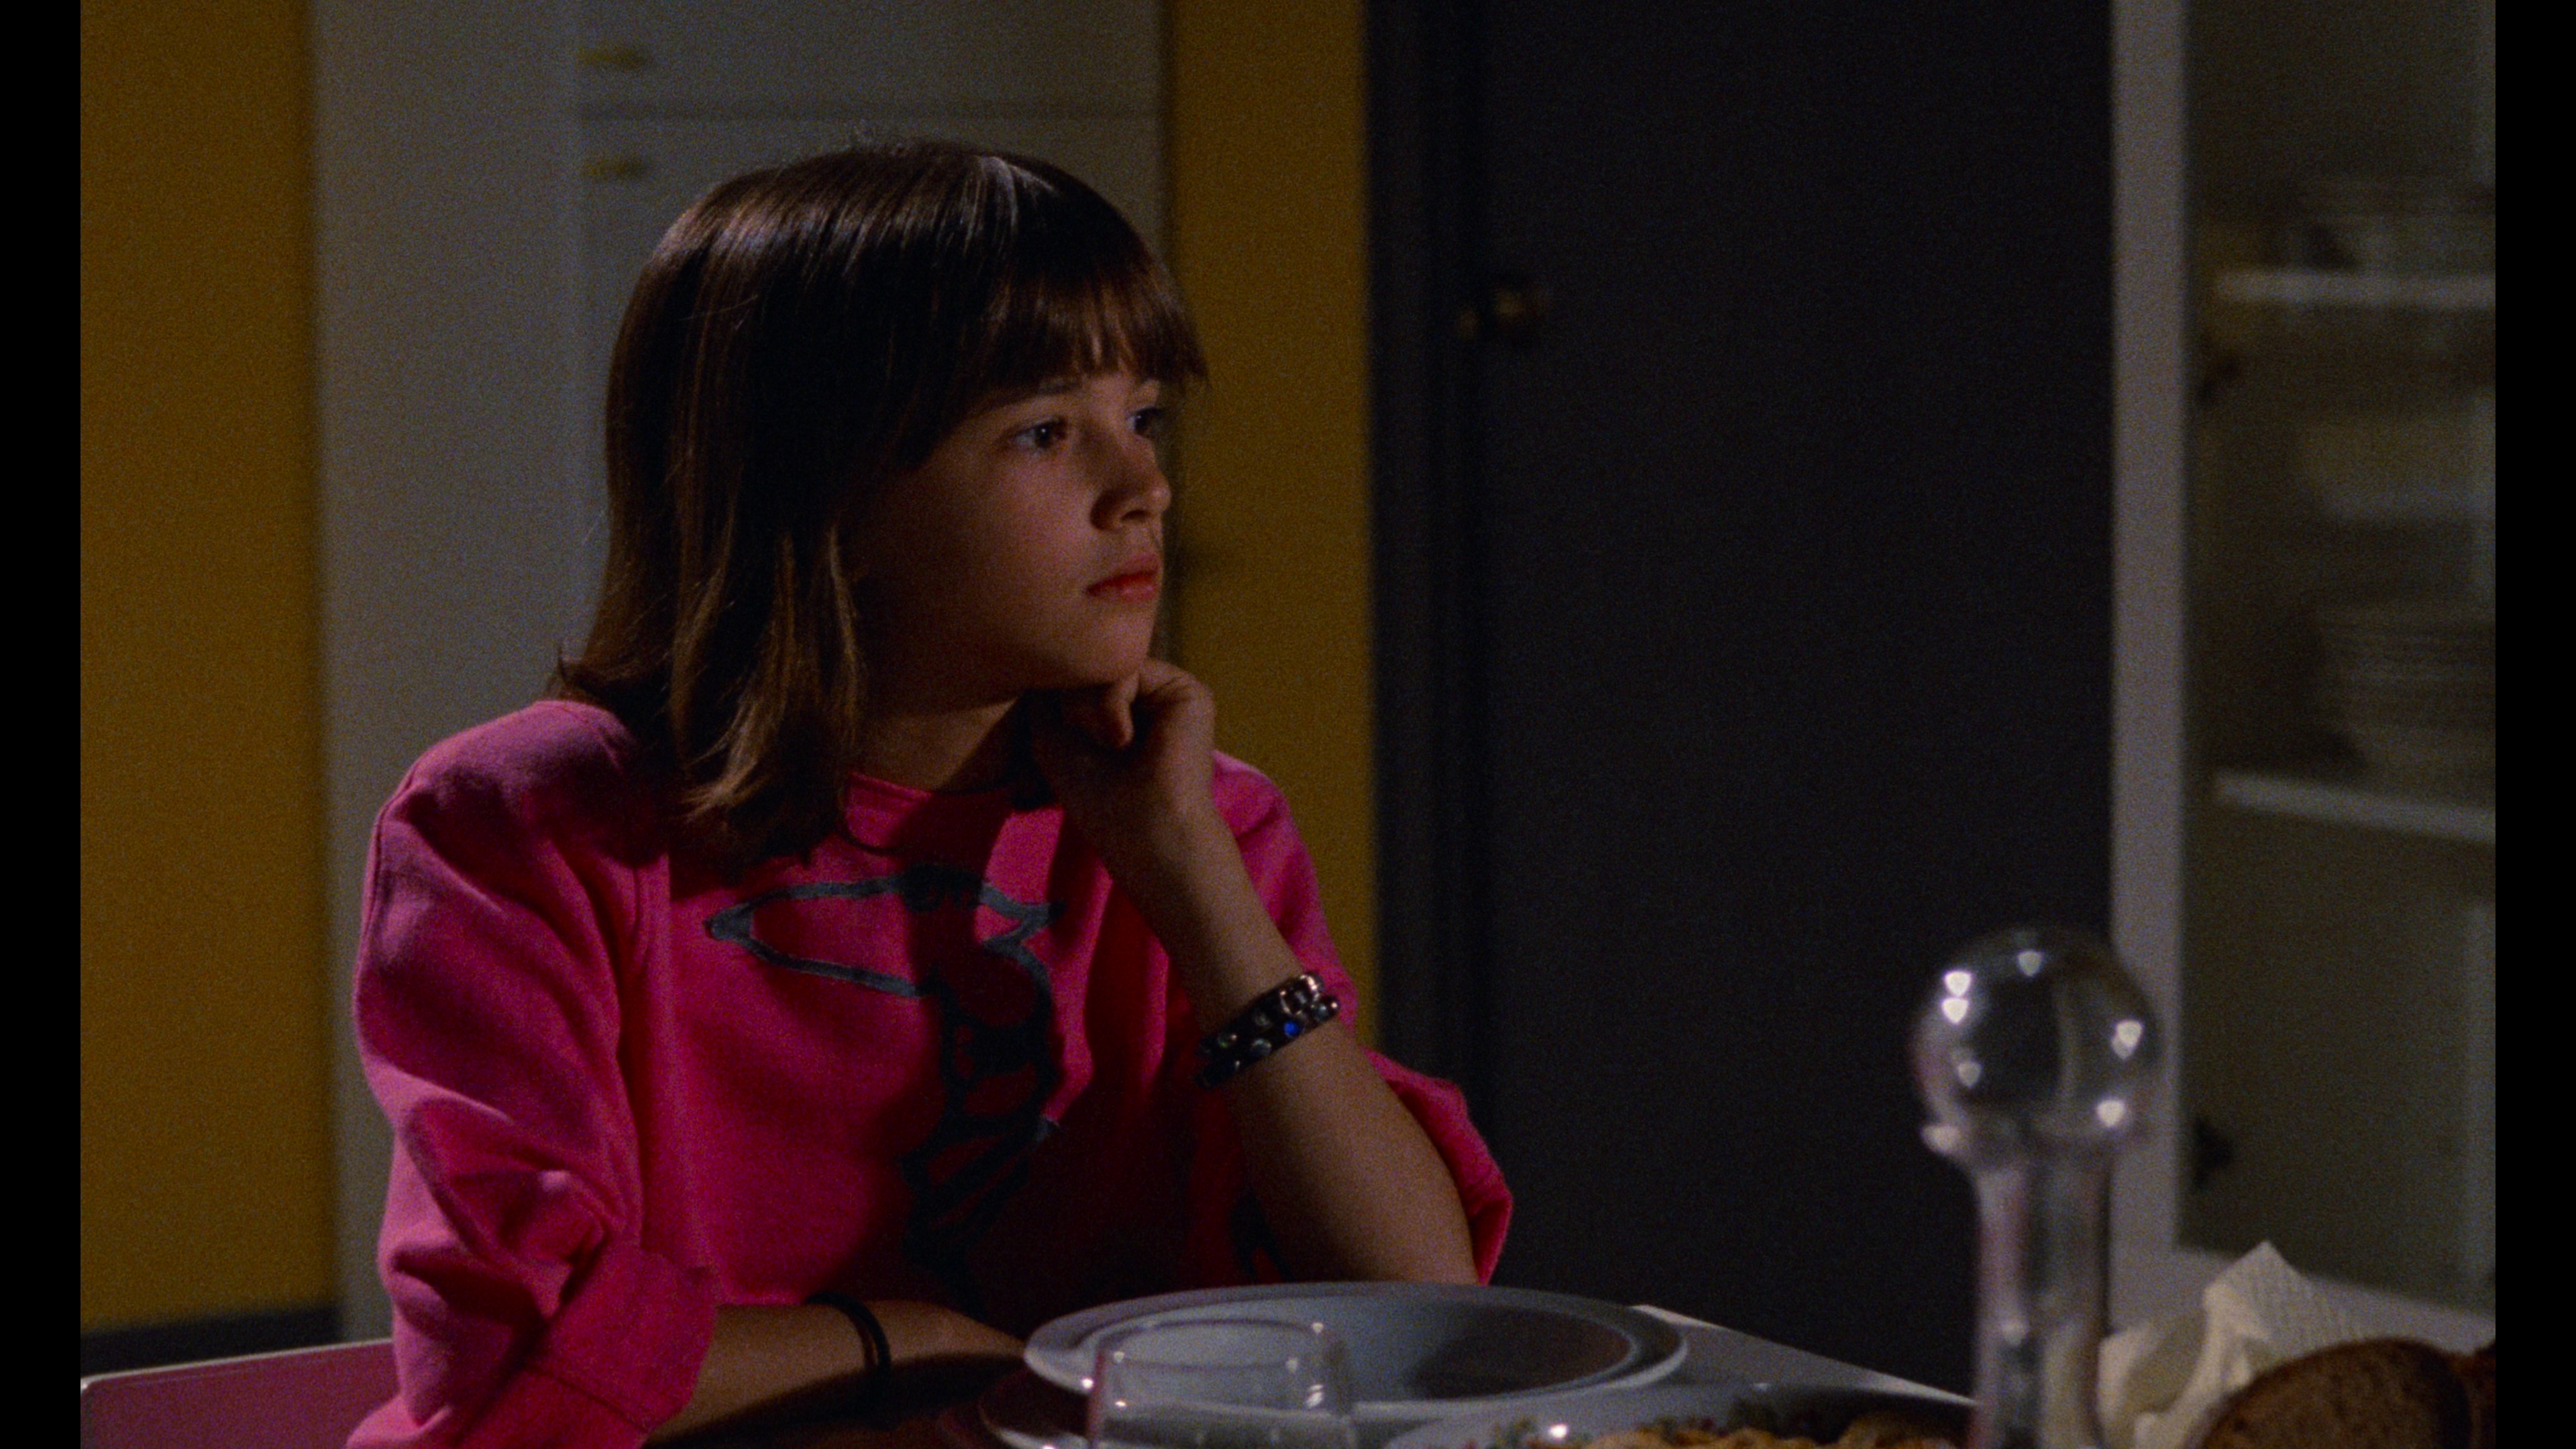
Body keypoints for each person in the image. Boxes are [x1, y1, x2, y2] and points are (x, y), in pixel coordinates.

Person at [345, 140, 1511, 1448]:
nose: (1143, 489)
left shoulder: (1194, 820)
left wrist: (1193, 879)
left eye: (1141, 418)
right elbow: (517, 1354)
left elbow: (1419, 1305)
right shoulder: (528, 824)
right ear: (827, 488)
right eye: (1045, 431)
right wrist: (926, 1343)